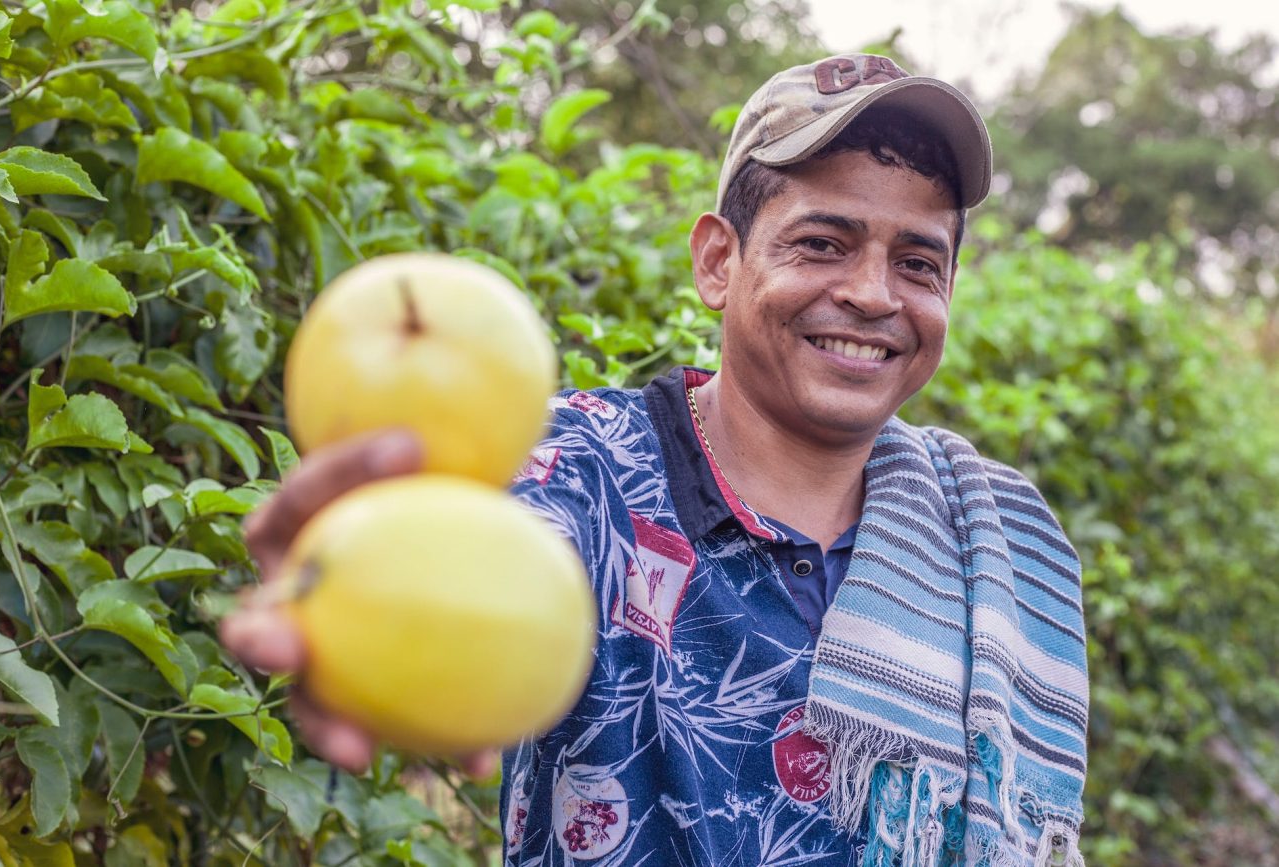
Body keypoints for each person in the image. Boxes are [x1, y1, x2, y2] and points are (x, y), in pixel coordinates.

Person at [221, 53, 1089, 867]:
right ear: (718, 259)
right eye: (823, 243)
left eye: (917, 262)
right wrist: (361, 574)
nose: (871, 294)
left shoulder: (986, 537)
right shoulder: (584, 466)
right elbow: (493, 542)